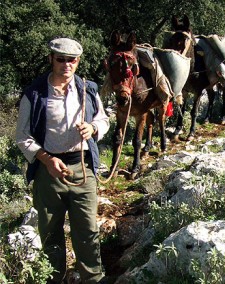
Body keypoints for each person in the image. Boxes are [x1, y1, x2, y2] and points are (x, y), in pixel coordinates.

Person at [16, 37, 110, 283]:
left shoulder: (87, 89)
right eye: (61, 59)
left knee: (88, 230)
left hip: (83, 168)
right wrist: (46, 159)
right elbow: (22, 137)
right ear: (51, 60)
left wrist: (93, 128)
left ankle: (93, 278)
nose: (67, 65)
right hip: (49, 171)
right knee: (49, 232)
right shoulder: (34, 94)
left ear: (77, 62)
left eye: (72, 60)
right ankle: (54, 278)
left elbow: (104, 119)